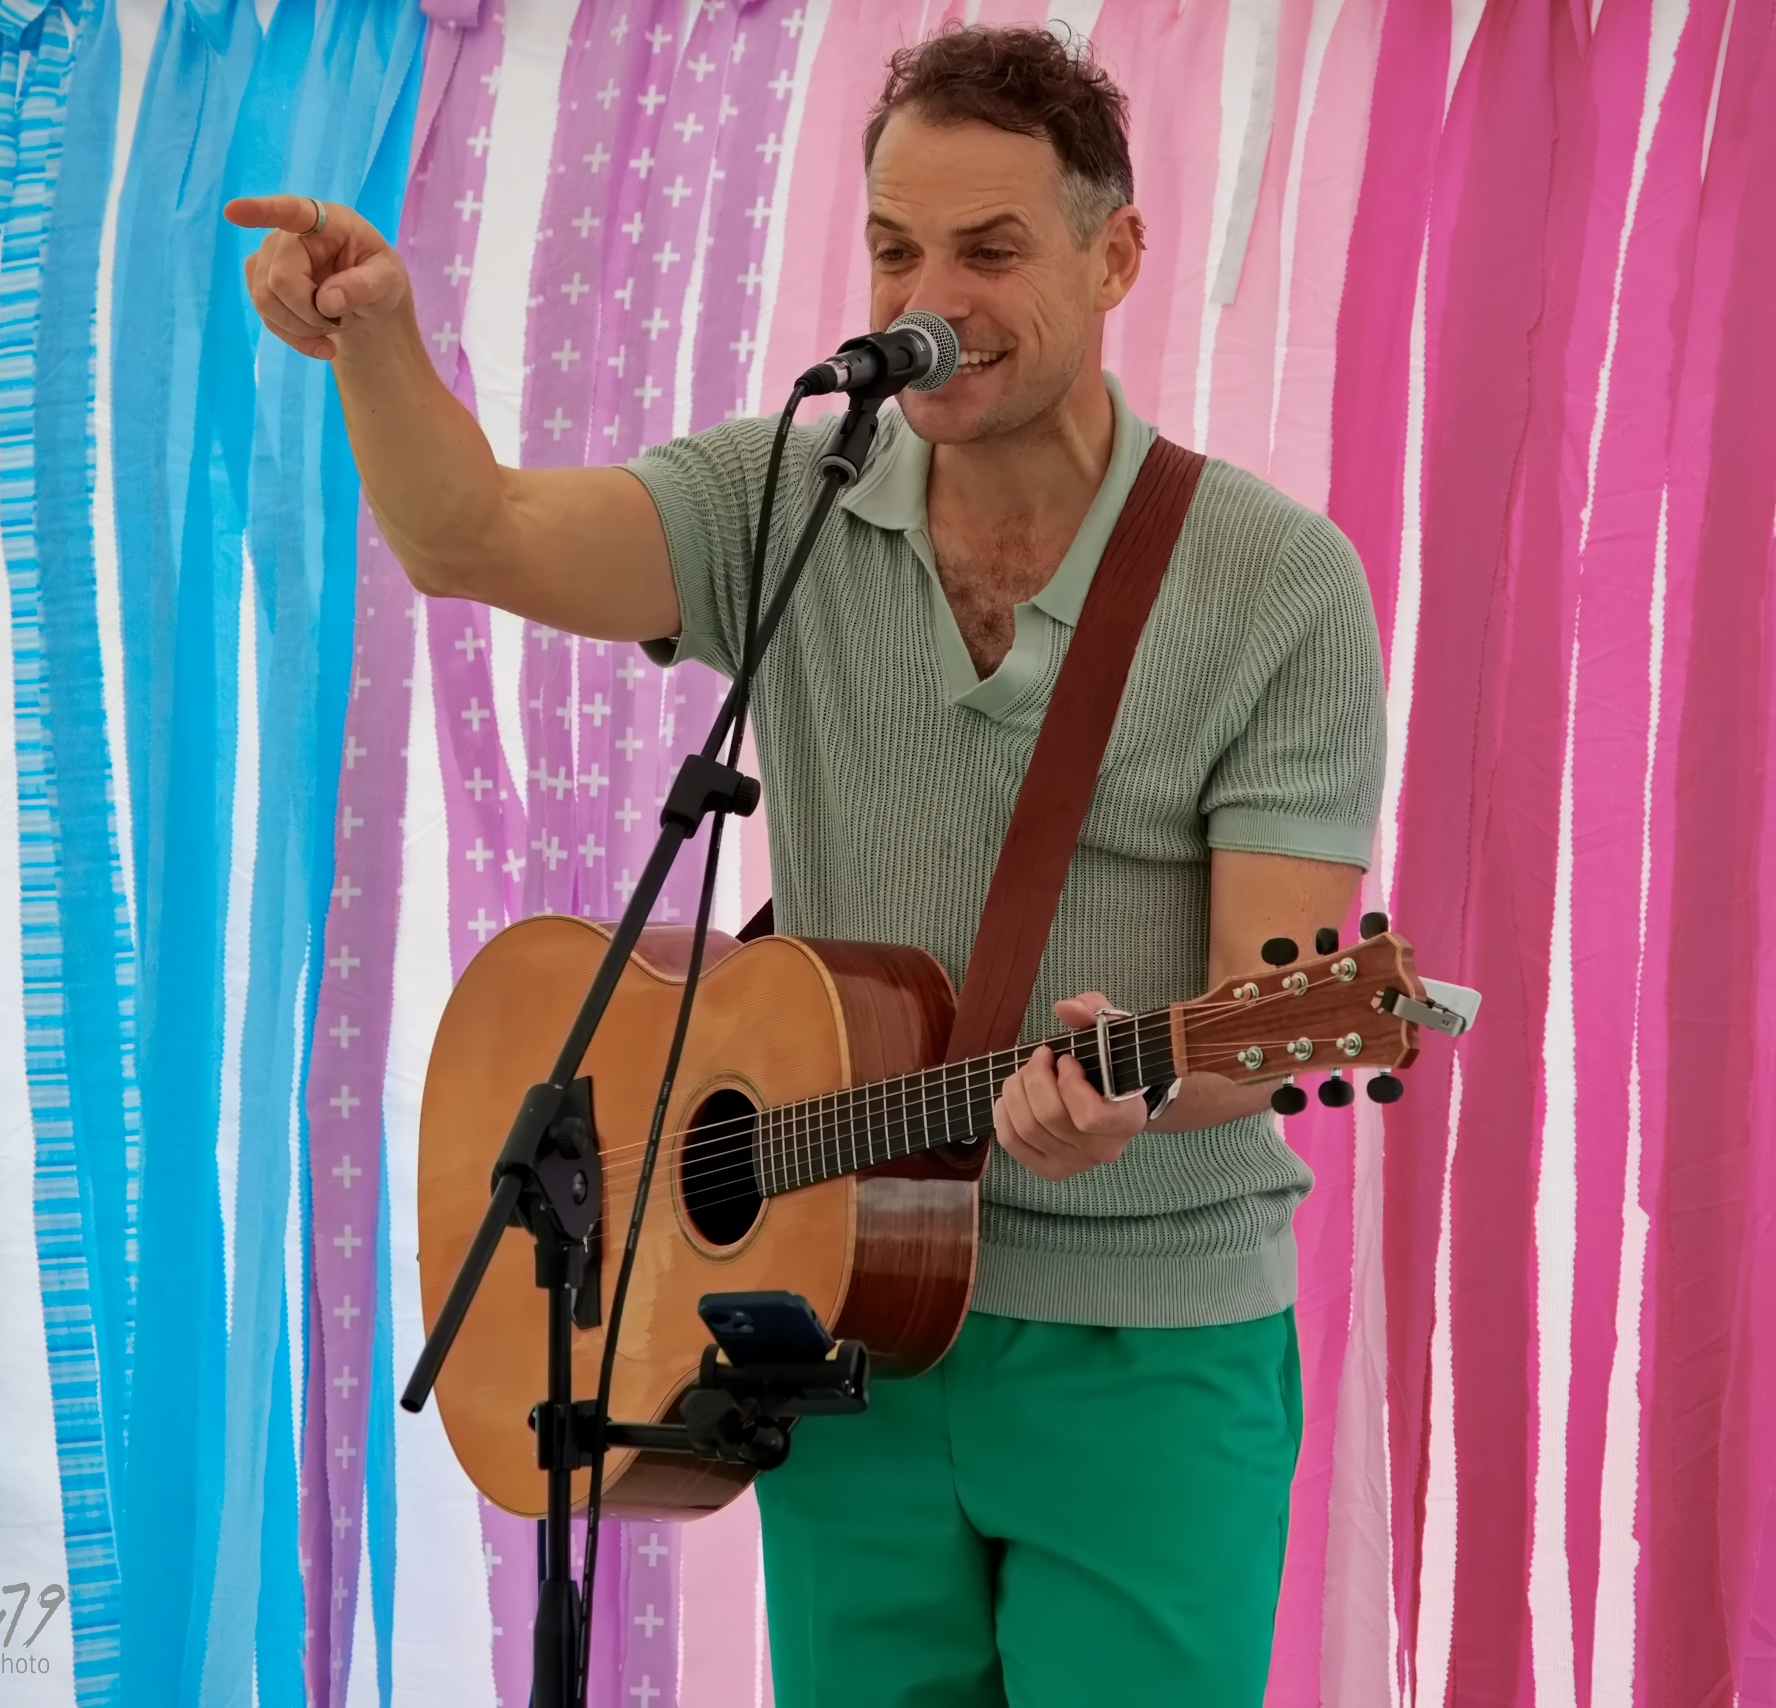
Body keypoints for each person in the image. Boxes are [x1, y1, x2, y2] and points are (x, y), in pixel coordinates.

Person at [228, 23, 1384, 1706]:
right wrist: (377, 342)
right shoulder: (791, 491)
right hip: (839, 1315)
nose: (932, 298)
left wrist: (1132, 1094)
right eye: (897, 248)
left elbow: (1264, 1016)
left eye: (990, 251)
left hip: (1144, 1348)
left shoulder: (1276, 584)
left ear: (1116, 254)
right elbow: (472, 534)